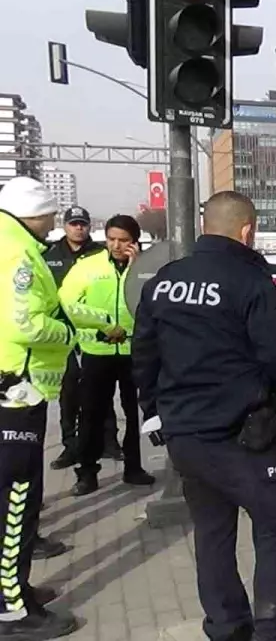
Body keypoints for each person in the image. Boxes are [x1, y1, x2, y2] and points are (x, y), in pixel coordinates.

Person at [131, 191, 276, 641]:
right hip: (243, 434)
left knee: (212, 531)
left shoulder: (164, 281)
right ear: (246, 231)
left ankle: (225, 626)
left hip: (185, 435)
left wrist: (153, 411)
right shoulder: (250, 280)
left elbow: (143, 352)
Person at [0, 177, 86, 639]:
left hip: (10, 389)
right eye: (50, 215)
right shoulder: (17, 254)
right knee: (15, 499)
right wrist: (66, 334)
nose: (54, 224)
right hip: (16, 392)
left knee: (14, 496)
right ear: (31, 213)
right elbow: (25, 323)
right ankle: (12, 609)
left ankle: (15, 589)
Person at [60, 215, 156, 496]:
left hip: (133, 352)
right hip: (97, 351)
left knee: (134, 413)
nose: (116, 245)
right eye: (111, 238)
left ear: (135, 241)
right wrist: (103, 324)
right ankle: (87, 472)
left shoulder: (144, 268)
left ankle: (134, 467)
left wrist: (135, 268)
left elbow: (148, 300)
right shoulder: (87, 266)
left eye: (123, 240)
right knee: (91, 414)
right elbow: (68, 302)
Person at [42, 206, 107, 473]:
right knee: (68, 392)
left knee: (100, 391)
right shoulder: (49, 255)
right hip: (62, 333)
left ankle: (108, 443)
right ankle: (71, 446)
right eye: (73, 224)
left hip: (95, 331)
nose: (78, 228)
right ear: (65, 226)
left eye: (82, 224)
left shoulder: (100, 253)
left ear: (88, 226)